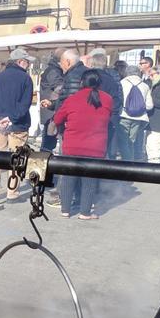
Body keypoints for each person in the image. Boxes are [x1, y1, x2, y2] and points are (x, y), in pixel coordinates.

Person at [53, 70, 113, 220]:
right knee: (89, 181)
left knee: (68, 178)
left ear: (82, 82)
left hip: (72, 145)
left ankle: (65, 210)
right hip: (96, 147)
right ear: (99, 83)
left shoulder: (72, 99)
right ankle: (85, 212)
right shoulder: (107, 99)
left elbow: (58, 118)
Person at [0, 48, 35, 203]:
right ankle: (11, 193)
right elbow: (25, 105)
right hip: (17, 125)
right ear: (20, 62)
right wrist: (10, 119)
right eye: (27, 62)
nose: (29, 65)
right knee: (16, 159)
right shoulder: (26, 79)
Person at [88, 53, 123, 159]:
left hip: (89, 117)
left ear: (92, 63)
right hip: (107, 117)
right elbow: (116, 100)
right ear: (105, 64)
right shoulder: (111, 79)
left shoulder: (87, 77)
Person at [116, 65, 153, 161]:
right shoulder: (145, 85)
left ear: (126, 72)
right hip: (139, 118)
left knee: (123, 142)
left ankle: (127, 163)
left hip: (123, 116)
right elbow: (150, 105)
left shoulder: (122, 83)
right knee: (131, 142)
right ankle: (131, 162)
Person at [39, 48, 65, 153]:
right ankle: (43, 166)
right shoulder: (54, 71)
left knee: (48, 143)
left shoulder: (54, 70)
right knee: (48, 144)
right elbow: (60, 88)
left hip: (50, 111)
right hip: (51, 112)